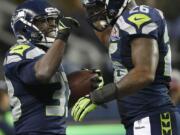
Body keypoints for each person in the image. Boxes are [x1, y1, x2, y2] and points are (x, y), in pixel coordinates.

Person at [71, 0, 180, 134]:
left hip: (152, 117)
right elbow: (112, 43)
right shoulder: (123, 22)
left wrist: (100, 95)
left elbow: (144, 73)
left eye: (98, 7)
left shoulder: (138, 17)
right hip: (139, 118)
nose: (94, 13)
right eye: (90, 9)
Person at [3, 0, 103, 134]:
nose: (52, 26)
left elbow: (51, 100)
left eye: (53, 21)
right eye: (44, 21)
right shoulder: (20, 52)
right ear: (25, 26)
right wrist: (62, 37)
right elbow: (42, 74)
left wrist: (86, 83)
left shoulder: (46, 56)